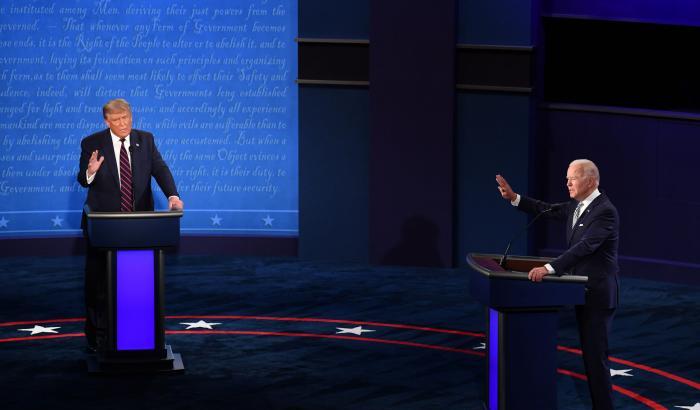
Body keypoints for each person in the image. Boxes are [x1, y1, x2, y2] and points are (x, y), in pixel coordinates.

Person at [495, 159, 619, 410]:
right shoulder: (577, 205)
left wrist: (549, 268)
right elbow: (546, 209)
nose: (567, 183)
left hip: (597, 295)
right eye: (567, 178)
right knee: (590, 359)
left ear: (590, 181)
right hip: (581, 291)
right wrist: (515, 198)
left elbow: (585, 247)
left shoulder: (605, 211)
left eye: (573, 178)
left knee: (595, 361)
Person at [77, 98, 183, 352]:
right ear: (107, 122)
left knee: (138, 284)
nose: (123, 124)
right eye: (116, 120)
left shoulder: (145, 140)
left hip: (139, 226)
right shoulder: (92, 143)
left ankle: (141, 332)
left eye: (126, 118)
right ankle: (98, 336)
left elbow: (160, 168)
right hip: (104, 226)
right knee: (98, 283)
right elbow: (83, 179)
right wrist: (91, 172)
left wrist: (172, 195)